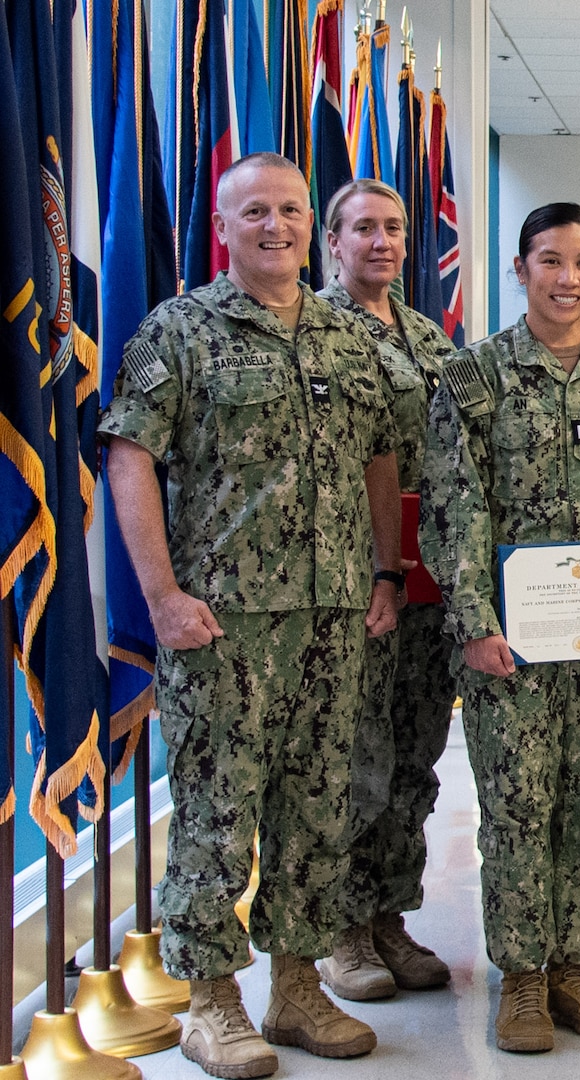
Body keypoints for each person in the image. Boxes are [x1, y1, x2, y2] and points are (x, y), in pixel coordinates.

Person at [101, 152, 400, 1079]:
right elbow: (128, 459)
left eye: (293, 211)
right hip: (224, 623)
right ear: (223, 226)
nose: (278, 227)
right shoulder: (178, 330)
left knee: (317, 810)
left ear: (315, 224)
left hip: (335, 616)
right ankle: (210, 1000)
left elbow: (381, 460)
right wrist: (160, 596)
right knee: (218, 814)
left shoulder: (350, 339)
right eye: (256, 212)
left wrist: (386, 573)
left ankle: (298, 985)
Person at [419, 203, 580, 1053]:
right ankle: (523, 979)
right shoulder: (474, 376)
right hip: (512, 643)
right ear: (521, 269)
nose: (567, 279)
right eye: (550, 261)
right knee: (521, 807)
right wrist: (473, 623)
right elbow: (456, 510)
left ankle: (573, 966)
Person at [312, 179, 459, 1003]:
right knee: (351, 760)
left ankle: (390, 915)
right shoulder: (316, 333)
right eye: (363, 227)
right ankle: (341, 927)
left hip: (425, 581)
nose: (382, 241)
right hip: (352, 583)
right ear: (332, 242)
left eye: (395, 227)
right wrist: (374, 568)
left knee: (413, 758)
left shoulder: (432, 340)